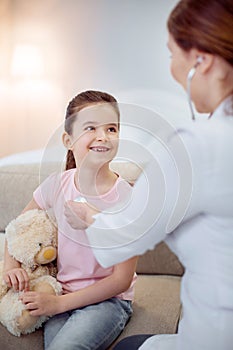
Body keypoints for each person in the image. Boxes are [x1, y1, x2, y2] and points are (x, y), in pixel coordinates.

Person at [64, 1, 233, 349]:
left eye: (173, 54)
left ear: (200, 61)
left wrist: (90, 216)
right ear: (69, 140)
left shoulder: (198, 146)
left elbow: (120, 239)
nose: (172, 66)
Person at [3, 90, 138, 350]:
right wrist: (11, 266)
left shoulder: (128, 199)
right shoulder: (57, 185)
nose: (103, 136)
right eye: (91, 127)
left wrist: (59, 305)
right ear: (68, 139)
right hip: (61, 291)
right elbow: (17, 229)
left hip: (108, 301)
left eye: (111, 128)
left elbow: (121, 280)